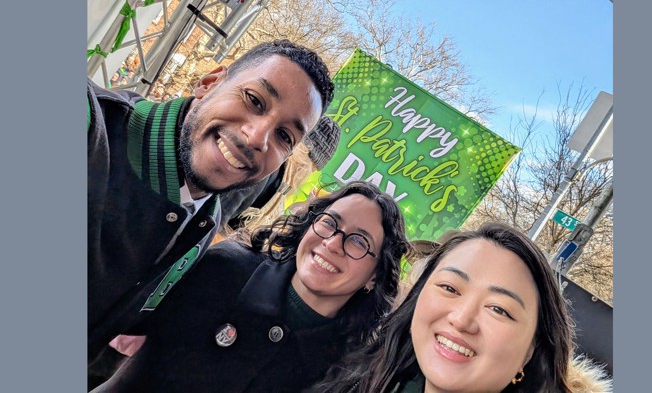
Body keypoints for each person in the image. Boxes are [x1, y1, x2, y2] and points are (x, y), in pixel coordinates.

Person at [86, 39, 335, 364]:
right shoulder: (94, 129)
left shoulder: (205, 221)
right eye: (254, 101)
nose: (256, 137)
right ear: (209, 82)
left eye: (284, 136)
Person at [92, 181, 410, 392]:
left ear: (374, 277)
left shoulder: (352, 368)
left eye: (359, 241)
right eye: (329, 223)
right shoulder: (226, 268)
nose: (332, 243)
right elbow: (115, 326)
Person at [308, 222, 577, 393]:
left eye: (498, 309)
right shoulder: (354, 380)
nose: (461, 319)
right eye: (449, 288)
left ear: (531, 351)